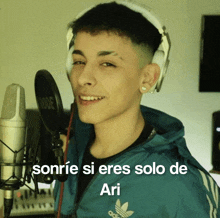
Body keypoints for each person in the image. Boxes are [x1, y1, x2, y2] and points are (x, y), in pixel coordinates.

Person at [54, 1, 220, 217]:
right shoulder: (71, 150)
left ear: (148, 78)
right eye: (78, 61)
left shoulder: (181, 185)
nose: (83, 78)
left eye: (107, 64)